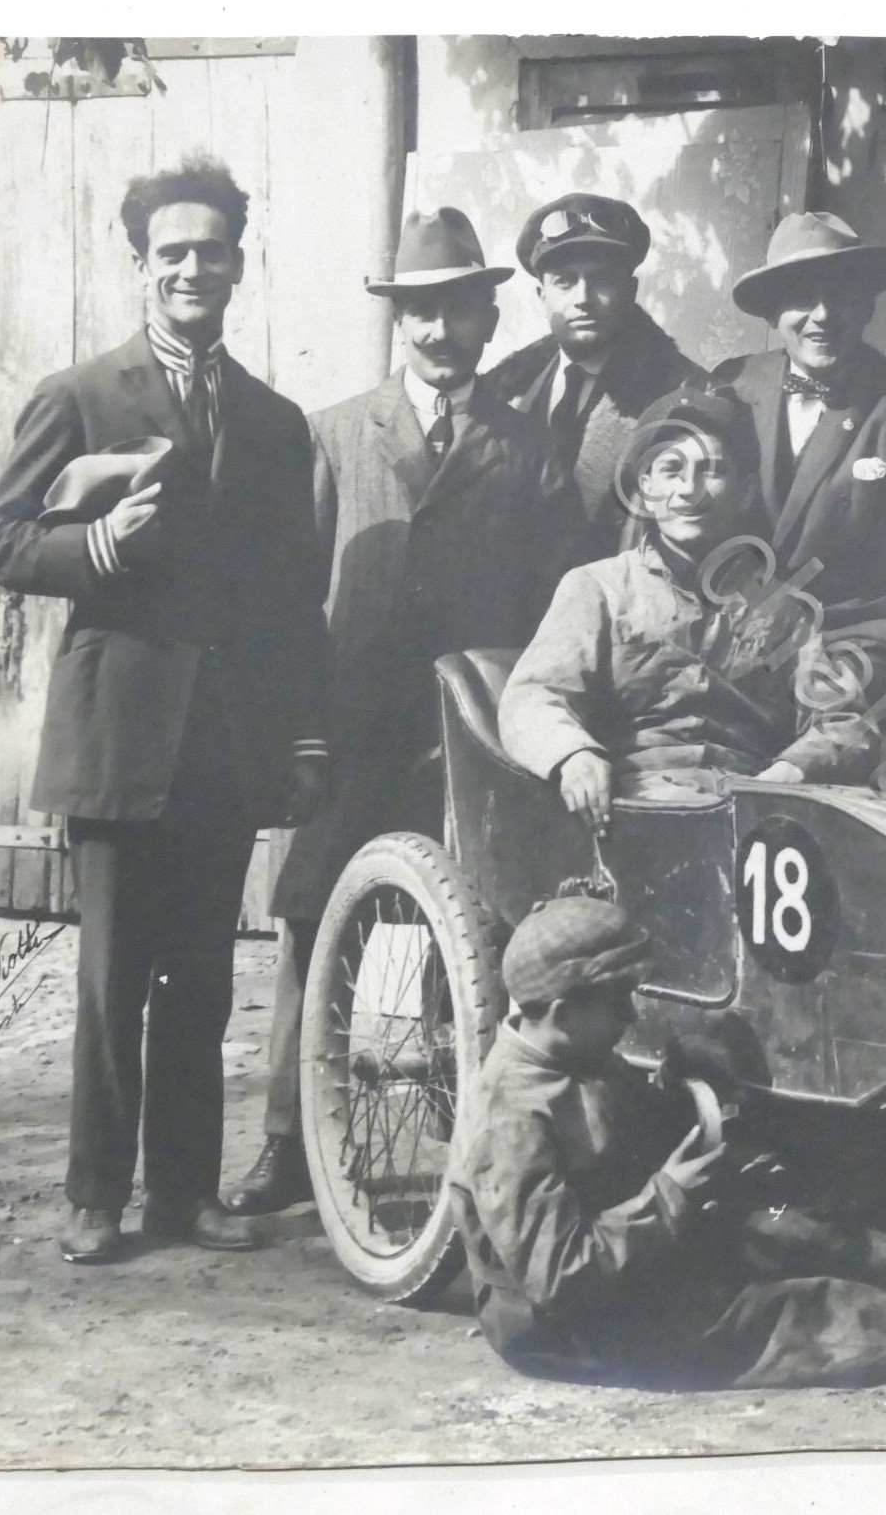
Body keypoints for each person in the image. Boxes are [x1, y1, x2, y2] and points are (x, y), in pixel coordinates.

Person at [0, 156, 332, 1263]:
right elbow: (2, 543)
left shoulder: (274, 423)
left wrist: (303, 735)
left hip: (222, 746)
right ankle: (96, 1197)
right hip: (118, 736)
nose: (191, 267)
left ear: (238, 263)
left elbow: (289, 598)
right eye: (170, 251)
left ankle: (186, 1194)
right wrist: (95, 547)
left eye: (209, 250)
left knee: (202, 981)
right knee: (112, 980)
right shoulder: (80, 397)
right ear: (140, 266)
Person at [225, 208, 557, 1216]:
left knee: (476, 939)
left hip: (470, 740)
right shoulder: (334, 434)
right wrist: (300, 733)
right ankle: (288, 1138)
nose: (439, 331)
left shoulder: (530, 452)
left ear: (488, 318)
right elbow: (288, 606)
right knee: (311, 928)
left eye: (458, 309)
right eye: (421, 312)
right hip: (353, 730)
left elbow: (547, 609)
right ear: (396, 322)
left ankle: (469, 1153)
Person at [446, 894, 886, 1387]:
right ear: (562, 1012)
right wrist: (671, 1196)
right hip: (577, 1327)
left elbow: (623, 1136)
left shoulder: (574, 1056)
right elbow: (562, 1280)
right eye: (617, 1002)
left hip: (633, 1262)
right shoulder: (509, 1116)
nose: (630, 1017)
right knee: (789, 1316)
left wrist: (681, 1094)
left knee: (800, 1233)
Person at [499, 383, 880, 827]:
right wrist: (574, 755)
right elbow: (532, 696)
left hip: (748, 813)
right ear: (645, 486)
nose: (689, 490)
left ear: (744, 491)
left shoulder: (781, 608)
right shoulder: (598, 589)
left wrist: (789, 771)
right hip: (625, 811)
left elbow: (846, 722)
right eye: (671, 469)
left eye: (712, 470)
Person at [714, 212, 886, 700]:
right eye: (802, 297)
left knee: (825, 745)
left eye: (841, 295)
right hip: (731, 629)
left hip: (847, 641)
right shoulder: (731, 384)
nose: (823, 315)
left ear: (867, 306)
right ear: (771, 313)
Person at [483, 192, 705, 568]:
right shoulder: (503, 392)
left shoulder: (684, 394)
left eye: (601, 280)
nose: (583, 298)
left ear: (631, 291)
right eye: (565, 282)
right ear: (542, 295)